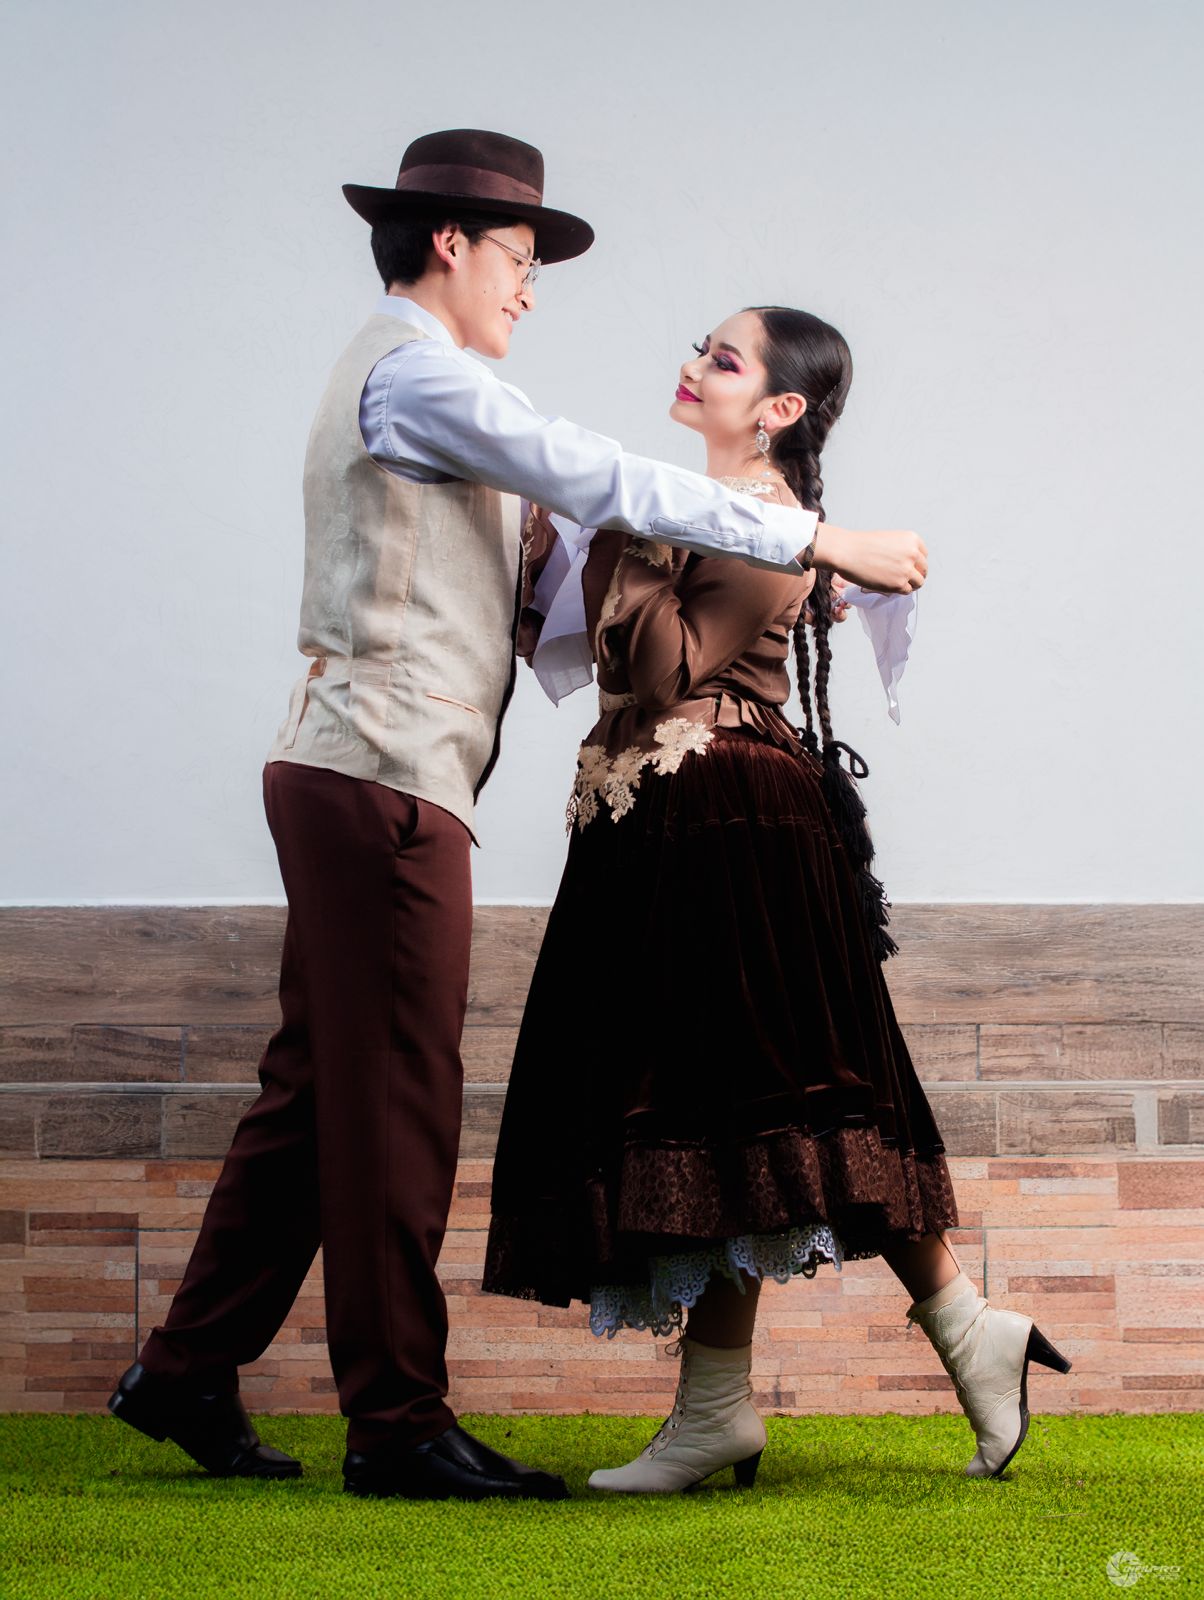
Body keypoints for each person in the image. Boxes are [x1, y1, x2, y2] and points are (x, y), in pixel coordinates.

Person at [107, 129, 928, 1503]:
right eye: (520, 257)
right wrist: (810, 535)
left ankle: (186, 1368)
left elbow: (557, 572)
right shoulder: (419, 374)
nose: (530, 288)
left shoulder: (428, 393)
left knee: (316, 1096)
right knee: (397, 1099)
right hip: (380, 775)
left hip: (359, 768)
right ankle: (395, 1423)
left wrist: (758, 579)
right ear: (451, 243)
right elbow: (590, 472)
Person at [483, 304, 1071, 1493]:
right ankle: (742, 1401)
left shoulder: (761, 519)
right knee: (724, 1112)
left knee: (758, 1098)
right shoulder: (715, 509)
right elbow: (590, 650)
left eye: (723, 358)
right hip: (658, 814)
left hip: (728, 817)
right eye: (700, 347)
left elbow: (661, 668)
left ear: (780, 408)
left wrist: (625, 527)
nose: (692, 365)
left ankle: (886, 1354)